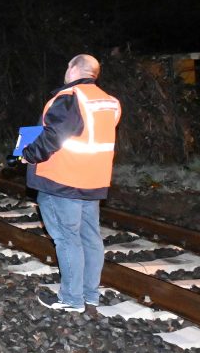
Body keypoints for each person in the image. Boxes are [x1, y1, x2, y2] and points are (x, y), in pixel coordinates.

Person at [18, 54, 122, 313]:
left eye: (68, 66)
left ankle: (72, 299)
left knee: (67, 238)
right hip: (94, 181)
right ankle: (89, 295)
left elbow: (55, 136)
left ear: (75, 68)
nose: (66, 70)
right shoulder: (108, 102)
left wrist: (28, 154)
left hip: (62, 181)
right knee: (90, 237)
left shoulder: (70, 97)